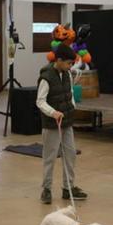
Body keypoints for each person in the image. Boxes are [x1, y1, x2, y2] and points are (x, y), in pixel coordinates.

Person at [36, 44, 87, 204]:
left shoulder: (67, 74)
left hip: (67, 122)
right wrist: (53, 113)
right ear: (59, 60)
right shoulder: (46, 77)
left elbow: (70, 93)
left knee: (70, 154)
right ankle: (46, 189)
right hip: (52, 124)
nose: (70, 66)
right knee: (50, 157)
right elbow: (40, 101)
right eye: (68, 63)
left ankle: (68, 188)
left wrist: (72, 107)